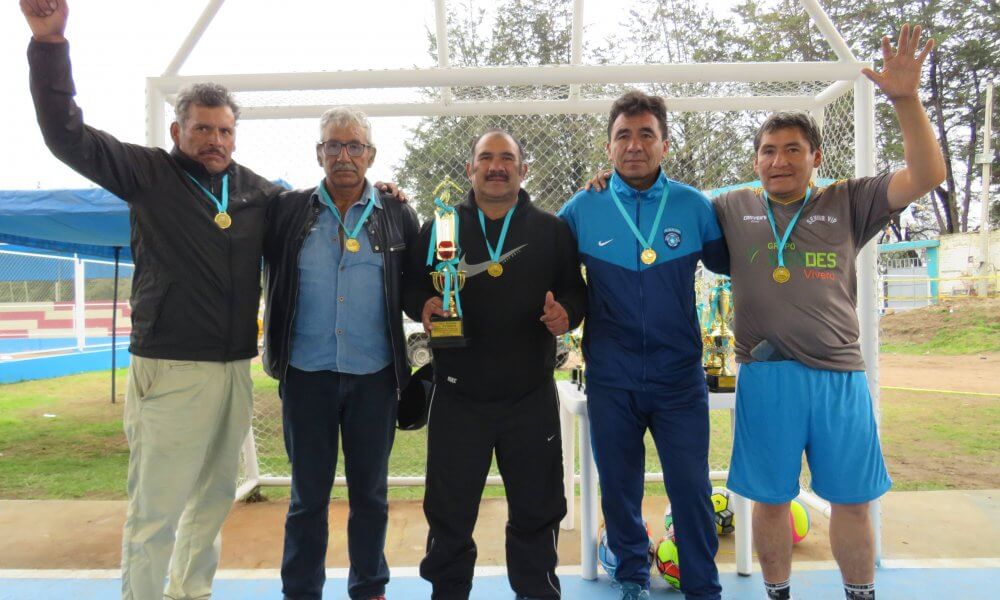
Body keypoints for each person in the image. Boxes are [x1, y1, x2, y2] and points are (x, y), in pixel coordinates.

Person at [20, 1, 282, 599]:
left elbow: (315, 214)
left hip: (234, 368)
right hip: (169, 367)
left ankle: (191, 592)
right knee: (155, 511)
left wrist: (386, 193)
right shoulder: (147, 174)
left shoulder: (257, 193)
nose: (214, 140)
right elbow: (66, 134)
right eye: (202, 129)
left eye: (224, 130)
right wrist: (50, 45)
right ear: (177, 131)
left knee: (215, 501)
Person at [711, 25, 945, 600]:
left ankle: (859, 591)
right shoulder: (730, 206)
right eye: (768, 150)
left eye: (793, 149)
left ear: (816, 157)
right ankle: (777, 592)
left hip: (840, 374)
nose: (779, 160)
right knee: (768, 498)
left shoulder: (849, 199)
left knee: (852, 498)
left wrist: (906, 100)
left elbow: (928, 175)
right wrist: (605, 181)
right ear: (756, 160)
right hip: (766, 374)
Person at [403, 129, 587, 600]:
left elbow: (575, 291)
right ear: (470, 169)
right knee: (448, 510)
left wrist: (566, 312)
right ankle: (447, 593)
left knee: (537, 507)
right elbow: (408, 289)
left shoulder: (551, 230)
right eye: (486, 158)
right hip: (458, 396)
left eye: (507, 158)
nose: (497, 166)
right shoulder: (439, 227)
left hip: (529, 396)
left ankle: (538, 591)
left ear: (524, 171)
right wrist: (425, 302)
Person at [559, 91, 728, 600]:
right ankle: (632, 575)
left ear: (665, 144)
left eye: (646, 134)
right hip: (612, 377)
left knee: (692, 489)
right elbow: (560, 281)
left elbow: (734, 263)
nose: (635, 145)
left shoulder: (693, 206)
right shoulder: (582, 208)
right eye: (623, 136)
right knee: (619, 489)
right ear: (608, 148)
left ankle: (703, 586)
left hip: (679, 378)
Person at [261, 107, 419, 600]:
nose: (344, 156)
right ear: (318, 153)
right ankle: (301, 591)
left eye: (354, 146)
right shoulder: (287, 211)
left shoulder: (397, 212)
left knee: (370, 496)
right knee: (307, 498)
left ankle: (369, 587)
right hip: (306, 375)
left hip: (375, 377)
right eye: (333, 145)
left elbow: (415, 286)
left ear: (370, 156)